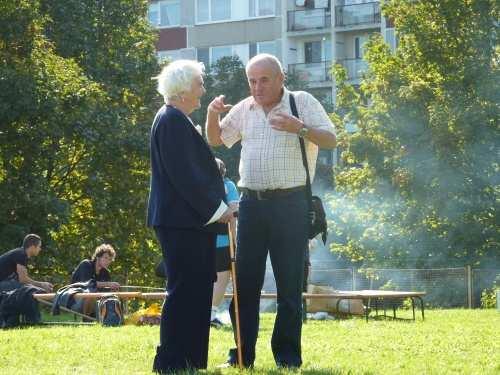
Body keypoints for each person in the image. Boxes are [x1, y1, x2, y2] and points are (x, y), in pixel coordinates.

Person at [206, 53, 336, 368]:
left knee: (289, 286)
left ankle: (288, 358)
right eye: (252, 80)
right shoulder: (244, 108)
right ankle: (241, 356)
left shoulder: (301, 102)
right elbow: (216, 140)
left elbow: (331, 140)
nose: (257, 86)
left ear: (281, 79)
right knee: (245, 284)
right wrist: (211, 114)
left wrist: (300, 128)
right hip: (250, 205)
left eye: (264, 79)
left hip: (291, 205)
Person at [147, 59, 234, 374]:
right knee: (185, 289)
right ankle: (173, 361)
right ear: (183, 90)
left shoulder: (175, 119)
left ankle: (190, 360)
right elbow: (186, 176)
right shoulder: (171, 120)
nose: (203, 90)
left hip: (188, 221)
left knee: (197, 289)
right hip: (180, 221)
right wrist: (220, 210)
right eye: (199, 83)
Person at [210, 158, 239, 328]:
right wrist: (235, 242)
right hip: (223, 241)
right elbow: (234, 214)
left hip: (202, 240)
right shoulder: (229, 186)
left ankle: (202, 311)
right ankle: (211, 313)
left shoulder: (201, 185)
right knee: (222, 278)